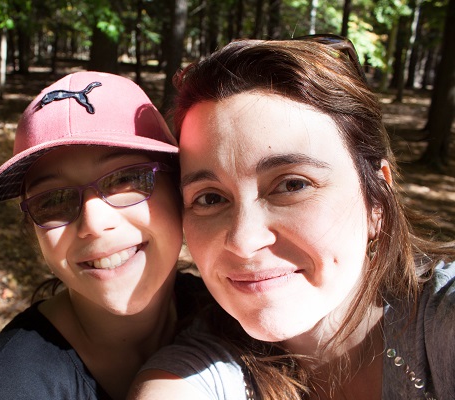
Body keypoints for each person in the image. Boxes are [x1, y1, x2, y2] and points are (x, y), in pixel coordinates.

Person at [129, 36, 455, 400]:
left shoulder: (442, 324)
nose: (244, 240)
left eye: (292, 184)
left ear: (377, 200)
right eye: (209, 198)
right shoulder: (197, 370)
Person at [0, 71, 204, 400]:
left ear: (179, 190)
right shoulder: (12, 386)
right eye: (53, 201)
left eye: (128, 180)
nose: (94, 223)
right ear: (33, 231)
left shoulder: (227, 312)